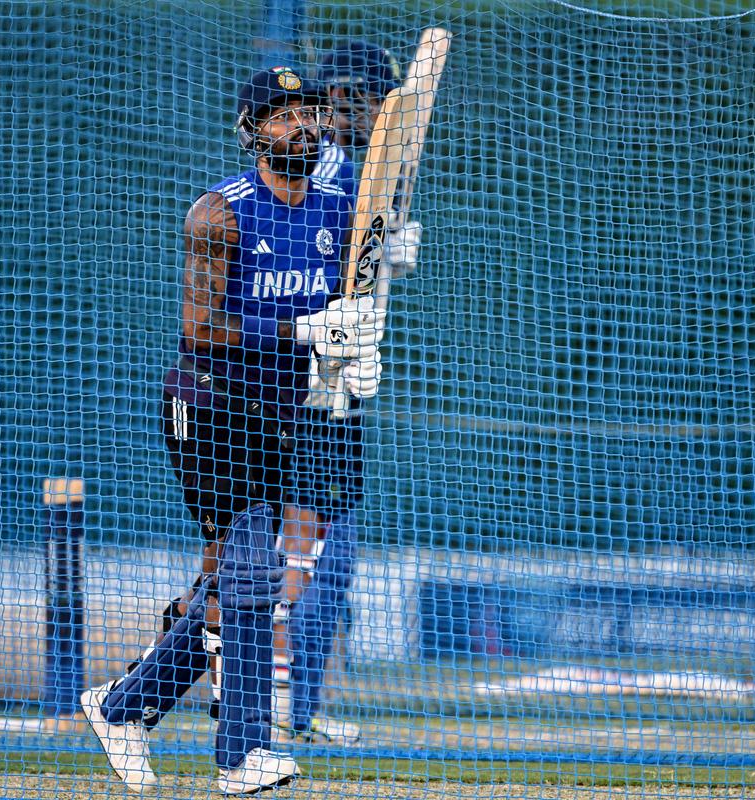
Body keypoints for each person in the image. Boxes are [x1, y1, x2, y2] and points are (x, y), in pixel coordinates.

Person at [80, 65, 385, 795]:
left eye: (308, 113)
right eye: (281, 117)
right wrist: (308, 329)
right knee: (252, 565)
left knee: (231, 582)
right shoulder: (218, 214)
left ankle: (124, 707)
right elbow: (202, 328)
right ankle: (241, 755)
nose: (301, 126)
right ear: (252, 132)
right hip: (209, 405)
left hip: (281, 414)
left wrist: (359, 338)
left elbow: (351, 301)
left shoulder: (339, 210)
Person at [270, 40, 421, 746]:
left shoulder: (351, 172)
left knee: (329, 551)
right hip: (302, 378)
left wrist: (383, 252)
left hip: (328, 373)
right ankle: (268, 696)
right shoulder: (324, 166)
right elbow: (300, 261)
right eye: (379, 104)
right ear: (353, 100)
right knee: (301, 547)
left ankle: (294, 704)